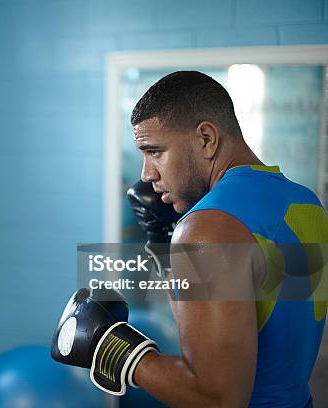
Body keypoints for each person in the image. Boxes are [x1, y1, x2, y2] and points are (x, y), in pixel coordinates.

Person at [52, 71, 327, 407]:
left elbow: (217, 400)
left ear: (207, 139)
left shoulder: (207, 227)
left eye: (155, 151)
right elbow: (255, 307)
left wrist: (115, 349)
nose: (146, 174)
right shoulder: (305, 202)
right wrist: (170, 245)